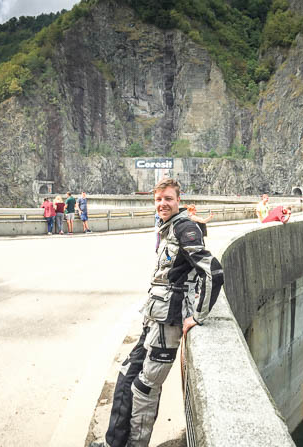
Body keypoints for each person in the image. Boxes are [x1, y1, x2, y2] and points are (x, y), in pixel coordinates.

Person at [102, 178, 224, 447]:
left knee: (145, 388)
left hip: (167, 324)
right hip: (153, 319)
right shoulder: (166, 227)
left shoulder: (184, 228)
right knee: (125, 377)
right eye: (158, 199)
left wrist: (198, 315)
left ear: (178, 200)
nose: (162, 204)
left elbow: (213, 271)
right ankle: (114, 443)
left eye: (168, 199)